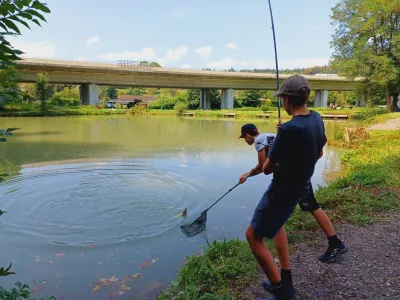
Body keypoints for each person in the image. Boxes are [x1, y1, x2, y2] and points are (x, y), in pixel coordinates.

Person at [239, 75, 348, 300]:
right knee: (278, 226)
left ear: (287, 99)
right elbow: (318, 152)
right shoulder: (317, 118)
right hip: (302, 184)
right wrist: (287, 140)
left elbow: (268, 169)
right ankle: (284, 280)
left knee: (253, 236)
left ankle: (283, 291)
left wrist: (282, 139)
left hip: (282, 190)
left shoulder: (288, 130)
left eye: (282, 100)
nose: (282, 103)